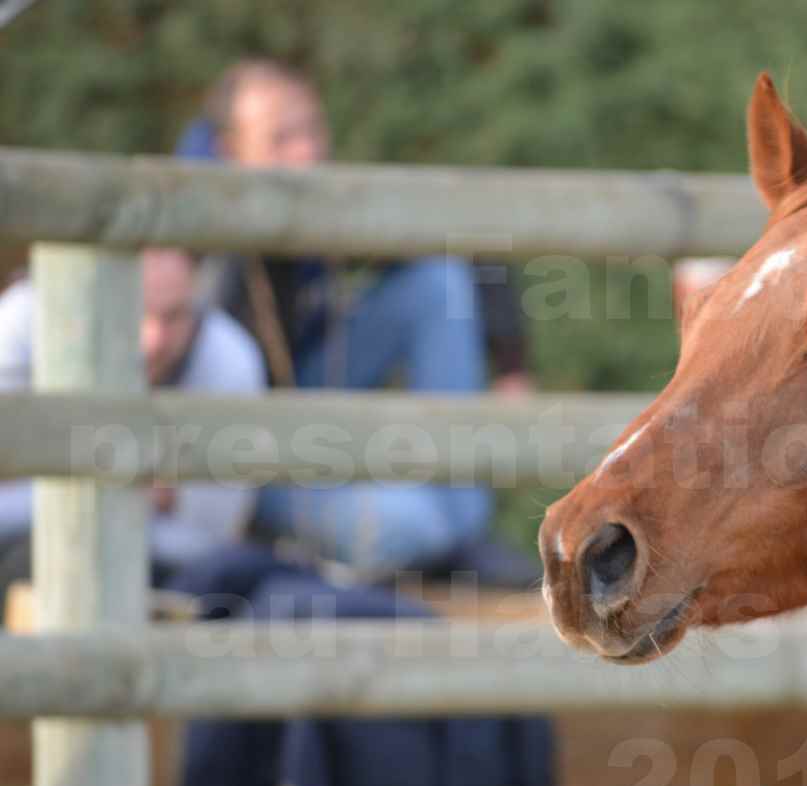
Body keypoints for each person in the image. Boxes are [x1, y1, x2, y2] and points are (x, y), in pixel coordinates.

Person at [184, 59, 496, 580]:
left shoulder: (326, 199)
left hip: (309, 390)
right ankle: (436, 537)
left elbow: (461, 223)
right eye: (281, 138)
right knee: (408, 527)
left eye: (312, 130)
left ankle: (466, 530)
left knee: (437, 282)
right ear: (229, 153)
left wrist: (509, 354)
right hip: (239, 454)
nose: (306, 152)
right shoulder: (185, 227)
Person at [0, 248, 266, 596]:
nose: (154, 339)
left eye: (173, 316)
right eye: (134, 311)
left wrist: (54, 464)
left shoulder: (231, 358)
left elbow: (208, 534)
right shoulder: (30, 317)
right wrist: (147, 476)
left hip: (162, 573)